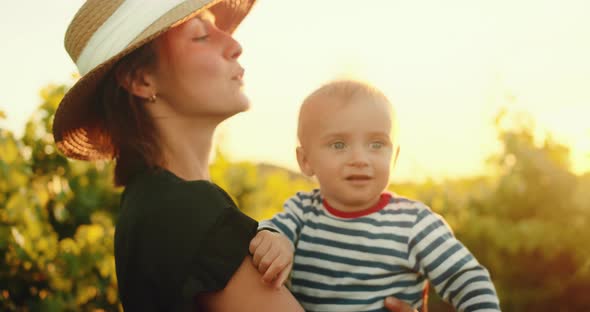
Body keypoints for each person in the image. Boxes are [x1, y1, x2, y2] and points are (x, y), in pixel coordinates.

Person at [53, 1, 418, 311]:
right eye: (200, 35)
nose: (234, 44)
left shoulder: (153, 202)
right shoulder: (184, 211)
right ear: (141, 80)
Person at [251, 80, 502, 311]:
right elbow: (270, 231)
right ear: (305, 160)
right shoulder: (301, 212)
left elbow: (466, 278)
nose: (360, 159)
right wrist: (273, 239)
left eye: (377, 144)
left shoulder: (414, 223)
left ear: (395, 157)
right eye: (339, 144)